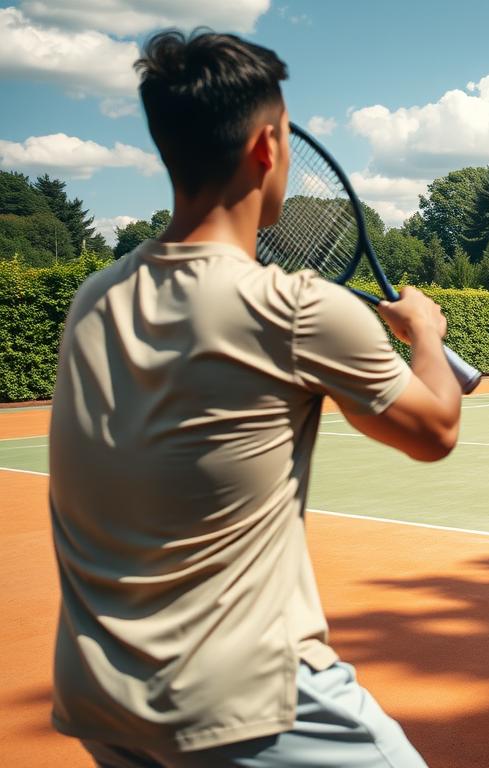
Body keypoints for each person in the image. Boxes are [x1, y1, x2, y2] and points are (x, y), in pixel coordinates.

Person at [47, 30, 460, 767]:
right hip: (248, 700)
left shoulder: (93, 299)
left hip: (103, 703)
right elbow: (434, 431)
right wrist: (424, 333)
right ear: (267, 148)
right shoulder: (297, 308)